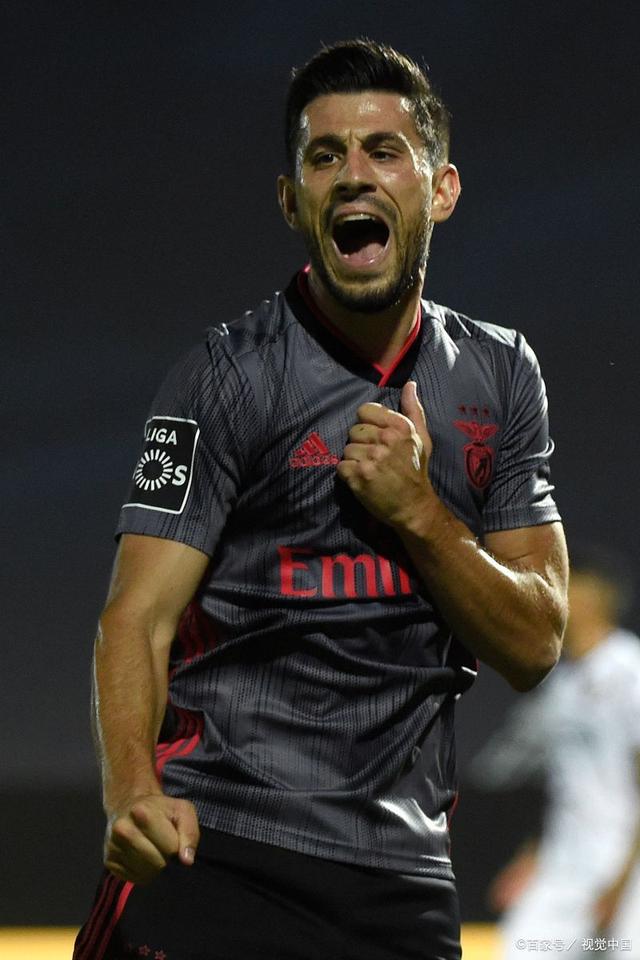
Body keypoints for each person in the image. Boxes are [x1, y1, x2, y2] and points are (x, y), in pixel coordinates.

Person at [73, 39, 568, 960]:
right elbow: (134, 617)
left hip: (402, 883)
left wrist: (420, 514)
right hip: (216, 852)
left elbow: (537, 641)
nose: (353, 177)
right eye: (325, 156)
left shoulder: (501, 376)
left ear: (442, 190)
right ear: (291, 199)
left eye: (385, 151)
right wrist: (131, 792)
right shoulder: (220, 378)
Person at [470, 550, 640, 959]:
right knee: (520, 950)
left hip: (625, 866)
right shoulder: (561, 682)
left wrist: (621, 884)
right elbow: (564, 786)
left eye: (567, 584)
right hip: (564, 865)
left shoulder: (629, 670)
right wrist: (532, 856)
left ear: (595, 595)